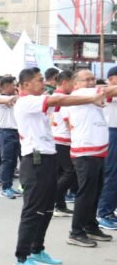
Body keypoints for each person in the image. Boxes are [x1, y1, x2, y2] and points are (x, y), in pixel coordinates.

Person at [11, 67, 104, 265]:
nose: (43, 83)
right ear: (25, 85)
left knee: (46, 208)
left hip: (47, 156)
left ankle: (37, 250)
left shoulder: (38, 100)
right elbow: (59, 100)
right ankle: (21, 257)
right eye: (38, 80)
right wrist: (91, 98)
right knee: (33, 209)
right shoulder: (26, 101)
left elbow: (60, 102)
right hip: (34, 160)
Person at [62, 69, 117, 245]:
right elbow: (109, 91)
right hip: (86, 152)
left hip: (97, 151)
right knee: (86, 193)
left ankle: (90, 226)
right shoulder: (81, 93)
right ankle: (76, 232)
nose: (91, 82)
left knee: (95, 191)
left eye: (93, 79)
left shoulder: (90, 95)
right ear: (75, 83)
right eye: (87, 79)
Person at [51, 70, 77, 216]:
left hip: (57, 138)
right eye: (73, 82)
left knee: (62, 173)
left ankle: (59, 205)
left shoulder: (53, 97)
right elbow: (68, 122)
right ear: (65, 82)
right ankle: (53, 198)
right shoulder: (64, 99)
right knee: (70, 172)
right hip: (62, 139)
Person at [96, 66, 117, 228]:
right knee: (111, 173)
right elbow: (105, 92)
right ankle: (104, 212)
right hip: (112, 133)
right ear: (111, 79)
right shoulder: (105, 90)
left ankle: (110, 209)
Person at [0, 76, 21, 199]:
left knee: (13, 161)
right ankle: (5, 188)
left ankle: (9, 186)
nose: (15, 87)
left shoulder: (12, 98)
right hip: (6, 132)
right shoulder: (0, 98)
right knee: (7, 161)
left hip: (15, 132)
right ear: (6, 86)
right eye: (13, 85)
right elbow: (14, 99)